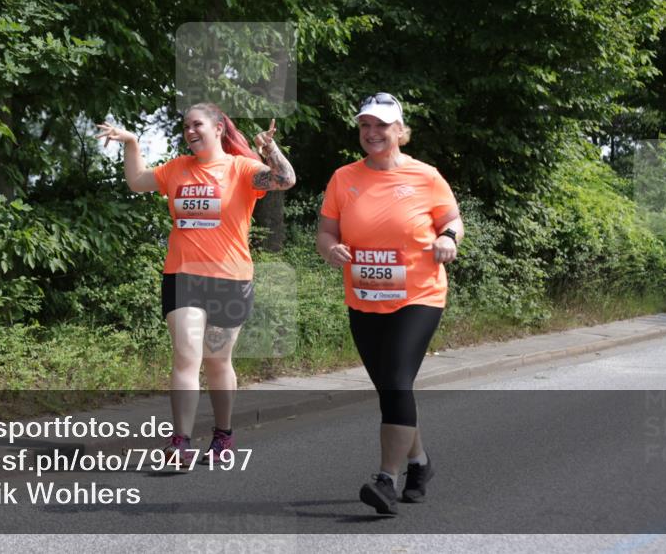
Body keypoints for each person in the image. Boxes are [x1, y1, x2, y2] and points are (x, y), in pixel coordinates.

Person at [96, 102, 295, 467]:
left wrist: (269, 149)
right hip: (183, 275)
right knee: (187, 356)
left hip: (229, 280)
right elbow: (137, 181)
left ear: (218, 128)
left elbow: (285, 180)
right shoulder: (177, 168)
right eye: (185, 126)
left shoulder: (242, 168)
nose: (189, 131)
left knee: (217, 362)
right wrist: (131, 142)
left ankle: (223, 435)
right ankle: (181, 441)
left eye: (197, 124)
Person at [316, 92, 463, 514]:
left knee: (397, 382)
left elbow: (452, 218)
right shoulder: (344, 178)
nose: (372, 133)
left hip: (418, 295)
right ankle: (419, 463)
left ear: (400, 130)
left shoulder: (426, 176)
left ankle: (386, 479)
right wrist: (331, 250)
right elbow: (326, 233)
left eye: (381, 125)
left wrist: (447, 238)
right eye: (365, 125)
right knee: (391, 389)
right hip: (364, 298)